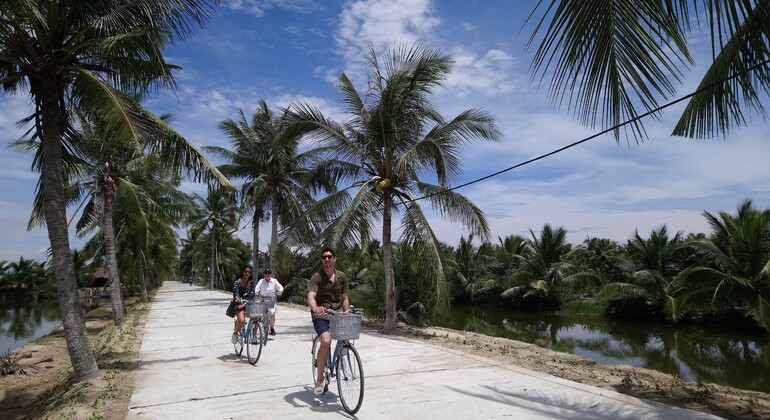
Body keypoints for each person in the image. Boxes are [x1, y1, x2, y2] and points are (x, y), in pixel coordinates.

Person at [307, 246, 349, 396]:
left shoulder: (341, 277)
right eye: (324, 257)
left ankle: (344, 348)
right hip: (321, 315)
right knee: (325, 341)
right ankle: (319, 380)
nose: (327, 259)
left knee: (348, 330)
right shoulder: (316, 277)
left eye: (329, 256)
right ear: (322, 260)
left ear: (334, 259)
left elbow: (344, 297)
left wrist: (347, 312)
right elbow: (311, 296)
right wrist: (316, 308)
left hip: (336, 313)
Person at [231, 264, 256, 344]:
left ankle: (254, 336)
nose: (248, 273)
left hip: (248, 304)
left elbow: (252, 295)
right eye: (246, 272)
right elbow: (236, 296)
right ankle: (235, 333)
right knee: (241, 320)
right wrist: (241, 302)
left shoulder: (251, 283)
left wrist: (246, 302)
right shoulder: (237, 282)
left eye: (249, 272)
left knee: (257, 317)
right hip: (239, 305)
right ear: (243, 272)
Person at [255, 268, 284, 335]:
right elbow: (256, 288)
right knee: (258, 314)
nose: (267, 275)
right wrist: (256, 292)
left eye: (268, 273)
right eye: (265, 273)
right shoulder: (261, 281)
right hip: (262, 299)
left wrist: (280, 291)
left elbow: (280, 287)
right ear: (264, 274)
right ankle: (256, 328)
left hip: (271, 300)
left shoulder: (274, 281)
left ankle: (272, 328)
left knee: (272, 314)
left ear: (270, 274)